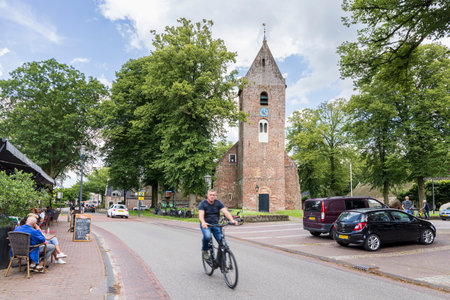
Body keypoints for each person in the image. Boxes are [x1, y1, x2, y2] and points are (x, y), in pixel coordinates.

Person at [198, 189, 238, 260]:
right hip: (206, 225)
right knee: (207, 237)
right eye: (210, 195)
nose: (212, 196)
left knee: (223, 244)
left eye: (213, 195)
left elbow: (225, 212)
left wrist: (232, 220)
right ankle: (205, 250)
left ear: (215, 196)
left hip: (216, 225)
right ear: (207, 195)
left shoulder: (218, 203)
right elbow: (201, 215)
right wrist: (203, 222)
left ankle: (223, 263)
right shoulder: (203, 204)